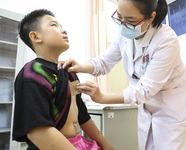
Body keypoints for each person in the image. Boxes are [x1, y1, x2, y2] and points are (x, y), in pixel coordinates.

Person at [59, 0, 186, 150]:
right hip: (146, 107)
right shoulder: (124, 35)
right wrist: (80, 67)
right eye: (119, 16)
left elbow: (144, 90)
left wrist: (103, 97)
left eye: (130, 20)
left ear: (150, 17)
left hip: (171, 111)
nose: (123, 25)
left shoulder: (166, 40)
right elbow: (104, 62)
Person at [12, 9, 115, 150]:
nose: (64, 30)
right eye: (54, 25)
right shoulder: (32, 74)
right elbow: (38, 131)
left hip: (80, 143)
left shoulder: (68, 72)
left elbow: (82, 115)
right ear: (35, 37)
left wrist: (106, 145)